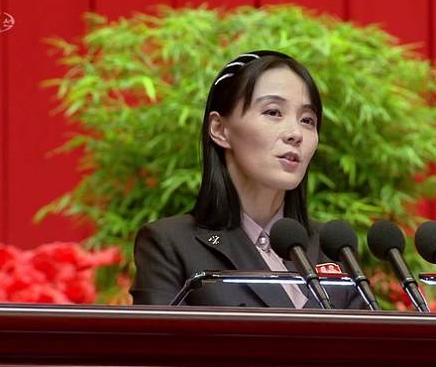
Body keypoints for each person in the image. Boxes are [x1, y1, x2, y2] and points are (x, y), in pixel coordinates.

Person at [130, 50, 364, 309]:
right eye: (273, 112)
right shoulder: (171, 244)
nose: (295, 133)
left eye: (307, 120)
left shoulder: (334, 247)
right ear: (220, 129)